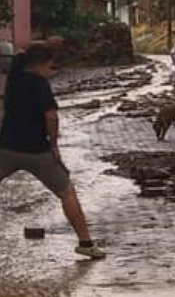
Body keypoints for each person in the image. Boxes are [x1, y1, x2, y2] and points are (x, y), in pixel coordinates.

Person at [0, 44, 105, 259]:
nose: (52, 71)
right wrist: (54, 145)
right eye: (51, 66)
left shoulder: (13, 79)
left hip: (7, 148)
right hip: (38, 152)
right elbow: (51, 116)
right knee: (67, 192)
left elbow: (19, 57)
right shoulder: (40, 84)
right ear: (41, 64)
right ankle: (85, 243)